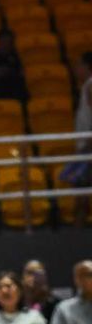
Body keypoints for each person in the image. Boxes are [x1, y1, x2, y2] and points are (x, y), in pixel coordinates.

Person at [66, 51, 92, 222]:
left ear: (87, 67)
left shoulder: (91, 85)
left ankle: (79, 227)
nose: (76, 69)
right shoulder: (86, 86)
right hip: (85, 143)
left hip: (88, 145)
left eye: (79, 65)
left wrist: (89, 143)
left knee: (81, 185)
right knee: (81, 185)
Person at [22, 259, 60, 324]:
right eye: (29, 273)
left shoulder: (54, 304)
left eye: (37, 274)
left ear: (44, 277)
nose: (33, 277)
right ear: (23, 276)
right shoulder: (15, 301)